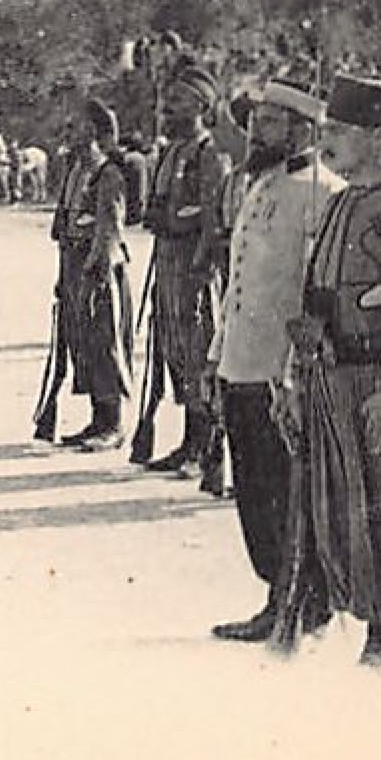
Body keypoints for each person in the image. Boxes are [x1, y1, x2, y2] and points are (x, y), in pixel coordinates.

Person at [276, 73, 381, 665]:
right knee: (346, 517)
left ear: (380, 137)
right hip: (330, 381)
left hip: (379, 387)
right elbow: (315, 297)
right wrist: (297, 383)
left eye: (341, 132)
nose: (327, 143)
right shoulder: (337, 203)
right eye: (326, 131)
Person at [205, 80, 344, 642]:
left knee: (288, 491)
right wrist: (218, 355)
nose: (254, 131)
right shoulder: (257, 185)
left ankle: (303, 599)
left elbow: (315, 293)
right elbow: (239, 283)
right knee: (254, 490)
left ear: (301, 131)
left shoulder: (322, 193)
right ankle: (276, 592)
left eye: (267, 122)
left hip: (280, 372)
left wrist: (293, 370)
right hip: (241, 362)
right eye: (255, 120)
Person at [134, 66, 229, 483]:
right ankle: (189, 442)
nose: (166, 109)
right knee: (174, 352)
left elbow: (212, 216)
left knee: (198, 351)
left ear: (201, 106)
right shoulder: (171, 152)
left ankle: (206, 449)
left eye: (177, 101)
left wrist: (201, 263)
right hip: (168, 265)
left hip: (195, 269)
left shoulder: (210, 154)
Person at [48, 99, 132, 451]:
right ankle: (97, 418)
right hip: (72, 268)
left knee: (104, 342)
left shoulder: (107, 174)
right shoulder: (74, 171)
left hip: (97, 271)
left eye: (76, 125)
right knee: (81, 343)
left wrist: (97, 270)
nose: (69, 131)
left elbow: (109, 228)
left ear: (94, 131)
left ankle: (112, 424)